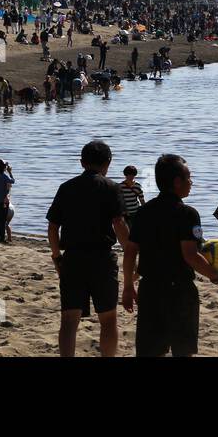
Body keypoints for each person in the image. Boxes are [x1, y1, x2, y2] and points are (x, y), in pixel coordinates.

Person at [123, 154, 218, 358]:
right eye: (189, 177)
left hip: (150, 289)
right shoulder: (188, 214)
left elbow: (130, 253)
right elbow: (190, 255)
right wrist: (215, 275)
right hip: (179, 291)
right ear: (177, 182)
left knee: (150, 351)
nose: (191, 182)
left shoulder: (144, 212)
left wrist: (128, 286)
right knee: (183, 351)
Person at [46, 140, 131, 357]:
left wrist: (57, 257)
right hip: (102, 258)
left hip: (73, 257)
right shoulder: (112, 187)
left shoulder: (66, 188)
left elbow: (53, 227)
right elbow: (119, 225)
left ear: (82, 162)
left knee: (69, 320)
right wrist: (131, 250)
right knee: (108, 319)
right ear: (108, 163)